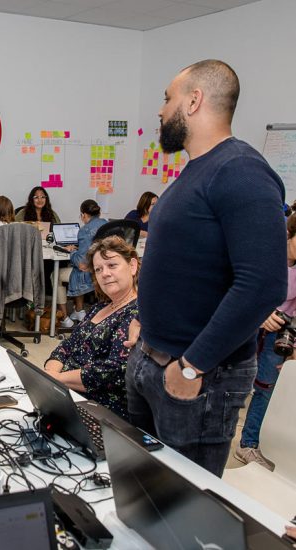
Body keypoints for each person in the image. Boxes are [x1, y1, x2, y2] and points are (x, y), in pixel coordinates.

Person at [126, 59, 287, 477]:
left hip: (198, 378)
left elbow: (263, 285)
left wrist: (193, 365)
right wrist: (144, 324)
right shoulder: (197, 171)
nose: (161, 111)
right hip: (151, 360)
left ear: (194, 101)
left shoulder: (241, 171)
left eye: (167, 98)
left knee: (184, 510)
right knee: (144, 490)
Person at [45, 236, 139, 419]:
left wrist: (56, 379)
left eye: (112, 265)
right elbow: (66, 346)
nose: (104, 273)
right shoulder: (99, 307)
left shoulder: (138, 313)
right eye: (98, 269)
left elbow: (113, 371)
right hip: (67, 394)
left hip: (100, 411)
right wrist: (50, 375)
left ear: (132, 266)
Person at [235, 212, 296, 470]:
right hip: (247, 326)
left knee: (265, 388)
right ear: (289, 234)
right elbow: (238, 293)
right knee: (234, 383)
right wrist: (261, 316)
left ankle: (248, 443)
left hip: (281, 333)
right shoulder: (265, 256)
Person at [58, 200, 107, 328]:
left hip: (89, 271)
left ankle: (65, 318)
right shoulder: (107, 225)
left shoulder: (85, 230)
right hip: (104, 269)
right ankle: (79, 310)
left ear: (84, 215)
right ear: (99, 212)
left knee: (56, 276)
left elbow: (81, 264)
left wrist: (72, 252)